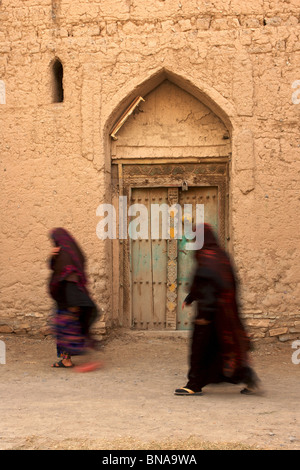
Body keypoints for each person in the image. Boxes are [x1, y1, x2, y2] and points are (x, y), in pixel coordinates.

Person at [175, 223, 261, 396]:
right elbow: (216, 282)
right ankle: (248, 378)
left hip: (210, 314)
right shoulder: (220, 256)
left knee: (200, 350)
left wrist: (205, 314)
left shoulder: (206, 258)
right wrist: (191, 297)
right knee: (225, 348)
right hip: (226, 315)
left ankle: (194, 384)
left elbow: (208, 285)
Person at [48, 227, 100, 370]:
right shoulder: (70, 252)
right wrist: (52, 257)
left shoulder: (64, 255)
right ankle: (67, 360)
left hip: (69, 299)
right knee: (68, 330)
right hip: (69, 298)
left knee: (67, 330)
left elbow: (65, 277)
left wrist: (72, 304)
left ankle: (72, 360)